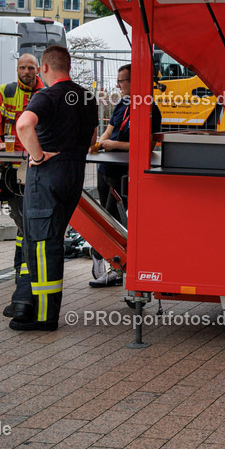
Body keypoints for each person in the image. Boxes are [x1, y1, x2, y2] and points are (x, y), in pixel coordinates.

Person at [9, 45, 99, 331]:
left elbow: (24, 126)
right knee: (47, 238)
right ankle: (25, 301)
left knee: (43, 244)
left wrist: (37, 156)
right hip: (74, 173)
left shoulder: (45, 95)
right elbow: (93, 138)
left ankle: (45, 316)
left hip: (46, 175)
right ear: (68, 65)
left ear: (44, 68)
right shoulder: (87, 96)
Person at [0, 54, 44, 317]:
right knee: (21, 220)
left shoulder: (45, 93)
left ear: (38, 69)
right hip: (11, 167)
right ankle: (22, 275)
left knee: (25, 223)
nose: (26, 71)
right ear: (17, 69)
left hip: (37, 165)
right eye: (22, 67)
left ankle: (23, 279)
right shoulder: (4, 92)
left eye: (31, 68)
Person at [90, 64, 131, 288]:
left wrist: (114, 144)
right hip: (105, 168)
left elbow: (147, 144)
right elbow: (110, 128)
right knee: (102, 216)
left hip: (121, 174)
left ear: (134, 81)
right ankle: (106, 263)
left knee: (111, 221)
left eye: (121, 81)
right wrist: (99, 143)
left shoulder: (149, 107)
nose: (117, 85)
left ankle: (114, 267)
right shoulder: (123, 102)